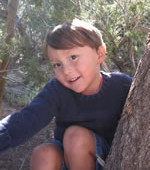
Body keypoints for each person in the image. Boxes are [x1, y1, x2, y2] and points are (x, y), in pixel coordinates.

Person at [0, 19, 132, 170]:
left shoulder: (122, 85)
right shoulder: (57, 90)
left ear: (100, 54)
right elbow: (24, 121)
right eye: (57, 64)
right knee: (43, 153)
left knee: (75, 137)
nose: (66, 70)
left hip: (106, 158)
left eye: (73, 57)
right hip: (66, 158)